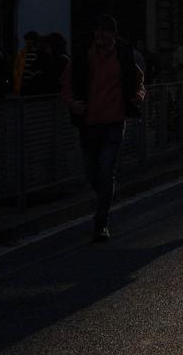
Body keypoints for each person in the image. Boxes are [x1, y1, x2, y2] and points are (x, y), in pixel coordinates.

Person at [61, 15, 146, 242]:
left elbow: (139, 80)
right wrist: (71, 103)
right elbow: (66, 83)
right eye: (97, 31)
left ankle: (101, 222)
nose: (100, 36)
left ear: (113, 35)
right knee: (91, 170)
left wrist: (138, 95)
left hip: (114, 120)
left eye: (105, 32)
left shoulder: (123, 55)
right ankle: (106, 197)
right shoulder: (82, 55)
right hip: (88, 121)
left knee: (106, 168)